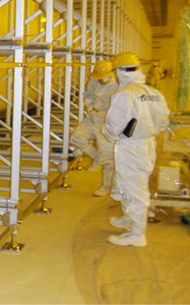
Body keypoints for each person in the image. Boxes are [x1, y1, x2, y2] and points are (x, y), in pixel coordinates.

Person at [102, 52, 170, 247]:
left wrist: (108, 134)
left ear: (119, 72)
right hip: (147, 144)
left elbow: (114, 125)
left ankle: (137, 234)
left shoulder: (126, 94)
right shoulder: (153, 93)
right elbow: (164, 122)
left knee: (134, 189)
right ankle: (129, 219)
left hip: (131, 147)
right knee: (125, 183)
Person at [70, 60, 118, 196]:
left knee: (108, 158)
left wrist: (107, 113)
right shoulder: (94, 81)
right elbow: (88, 94)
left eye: (103, 77)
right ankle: (97, 158)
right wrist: (89, 105)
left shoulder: (119, 86)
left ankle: (106, 186)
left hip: (109, 121)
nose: (100, 80)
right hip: (93, 117)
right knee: (77, 137)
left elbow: (123, 107)